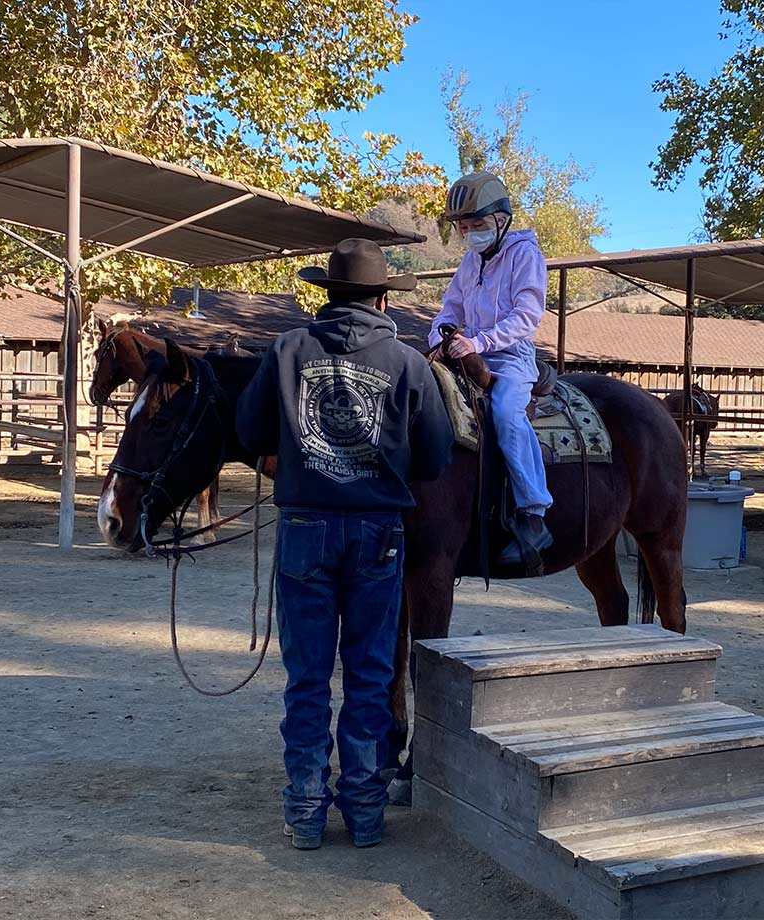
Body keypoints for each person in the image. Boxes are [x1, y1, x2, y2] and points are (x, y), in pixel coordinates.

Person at [236, 238, 454, 851]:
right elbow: (436, 458)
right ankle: (363, 812)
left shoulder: (286, 350)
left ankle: (305, 810)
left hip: (305, 528)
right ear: (383, 296)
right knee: (369, 671)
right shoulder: (408, 363)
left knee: (306, 676)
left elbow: (250, 429)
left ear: (326, 293)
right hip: (378, 532)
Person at [430, 171, 554, 565]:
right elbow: (450, 309)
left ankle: (534, 514)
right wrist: (439, 338)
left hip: (511, 356)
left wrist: (478, 342)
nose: (470, 234)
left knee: (504, 413)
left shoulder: (525, 255)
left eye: (478, 225)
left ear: (502, 221)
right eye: (464, 227)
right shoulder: (469, 263)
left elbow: (527, 315)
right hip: (468, 353)